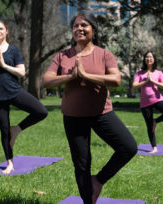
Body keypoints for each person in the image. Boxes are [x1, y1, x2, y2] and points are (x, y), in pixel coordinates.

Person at [42, 12, 137, 204]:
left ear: (93, 29)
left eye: (84, 25)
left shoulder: (104, 54)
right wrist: (70, 77)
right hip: (73, 116)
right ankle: (88, 200)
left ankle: (99, 180)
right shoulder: (63, 56)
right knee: (82, 164)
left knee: (128, 147)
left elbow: (116, 79)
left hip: (102, 113)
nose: (79, 29)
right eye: (75, 26)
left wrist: (86, 75)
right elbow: (46, 81)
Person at [0, 19, 48, 174]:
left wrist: (4, 66)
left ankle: (17, 129)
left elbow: (21, 72)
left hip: (14, 92)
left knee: (41, 111)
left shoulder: (14, 51)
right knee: (4, 131)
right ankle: (10, 163)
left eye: (1, 29)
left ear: (6, 31)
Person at [133, 51, 163, 154]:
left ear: (154, 59)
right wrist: (146, 81)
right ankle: (154, 147)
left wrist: (152, 81)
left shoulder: (159, 73)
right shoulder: (140, 73)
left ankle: (156, 121)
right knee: (149, 126)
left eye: (150, 57)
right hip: (145, 103)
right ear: (144, 59)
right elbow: (134, 86)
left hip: (157, 99)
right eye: (147, 57)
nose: (148, 58)